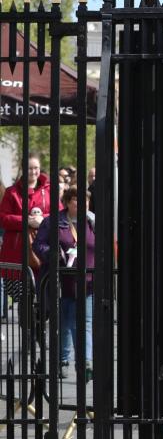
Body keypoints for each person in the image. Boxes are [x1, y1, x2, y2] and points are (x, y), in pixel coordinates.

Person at [32, 186, 94, 379]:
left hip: (87, 281)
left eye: (85, 199)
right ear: (67, 202)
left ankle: (85, 362)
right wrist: (52, 254)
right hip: (61, 281)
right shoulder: (53, 221)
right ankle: (63, 360)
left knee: (85, 321)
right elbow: (38, 244)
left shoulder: (92, 221)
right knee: (65, 322)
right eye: (77, 200)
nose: (82, 203)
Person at [0, 156, 52, 310]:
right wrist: (26, 221)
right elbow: (3, 218)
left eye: (36, 167)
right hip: (18, 253)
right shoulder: (12, 192)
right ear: (23, 169)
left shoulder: (49, 191)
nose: (33, 171)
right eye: (30, 168)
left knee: (46, 303)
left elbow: (59, 214)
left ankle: (40, 330)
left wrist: (43, 220)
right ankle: (28, 333)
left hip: (44, 252)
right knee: (25, 303)